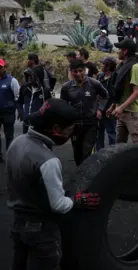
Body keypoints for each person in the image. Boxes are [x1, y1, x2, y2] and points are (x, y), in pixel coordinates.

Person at [6, 98, 100, 270]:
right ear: (56, 129)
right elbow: (58, 205)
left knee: (18, 263)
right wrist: (77, 200)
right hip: (40, 230)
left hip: (17, 223)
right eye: (70, 130)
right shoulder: (48, 161)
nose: (71, 134)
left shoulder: (17, 142)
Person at [60, 60, 108, 166]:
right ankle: (79, 174)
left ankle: (86, 178)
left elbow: (105, 96)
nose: (78, 74)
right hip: (75, 126)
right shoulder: (66, 87)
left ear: (85, 70)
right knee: (77, 154)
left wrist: (100, 109)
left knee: (86, 153)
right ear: (71, 72)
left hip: (91, 124)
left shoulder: (94, 83)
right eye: (75, 71)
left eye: (80, 71)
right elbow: (63, 105)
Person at [108, 38, 138, 144]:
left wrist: (121, 107)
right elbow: (120, 90)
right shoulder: (122, 67)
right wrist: (114, 105)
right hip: (122, 111)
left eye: (120, 49)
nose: (118, 51)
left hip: (132, 112)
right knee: (120, 143)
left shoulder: (134, 67)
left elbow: (136, 92)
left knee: (137, 143)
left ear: (125, 51)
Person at [19, 66, 54, 134]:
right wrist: (21, 113)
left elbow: (49, 109)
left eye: (32, 76)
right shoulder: (24, 88)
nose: (30, 78)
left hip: (38, 127)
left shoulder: (45, 91)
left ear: (38, 77)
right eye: (29, 76)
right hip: (26, 124)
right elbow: (19, 102)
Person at [0, 59, 20, 163]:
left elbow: (17, 96)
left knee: (9, 136)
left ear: (5, 67)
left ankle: (10, 157)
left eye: (0, 67)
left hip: (8, 113)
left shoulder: (12, 80)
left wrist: (17, 109)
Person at [96, 57, 117, 150]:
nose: (101, 66)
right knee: (98, 132)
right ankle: (99, 154)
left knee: (111, 132)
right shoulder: (100, 76)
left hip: (110, 110)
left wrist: (113, 107)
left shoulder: (115, 78)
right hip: (99, 110)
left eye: (103, 64)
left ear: (108, 67)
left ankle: (113, 154)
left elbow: (115, 95)